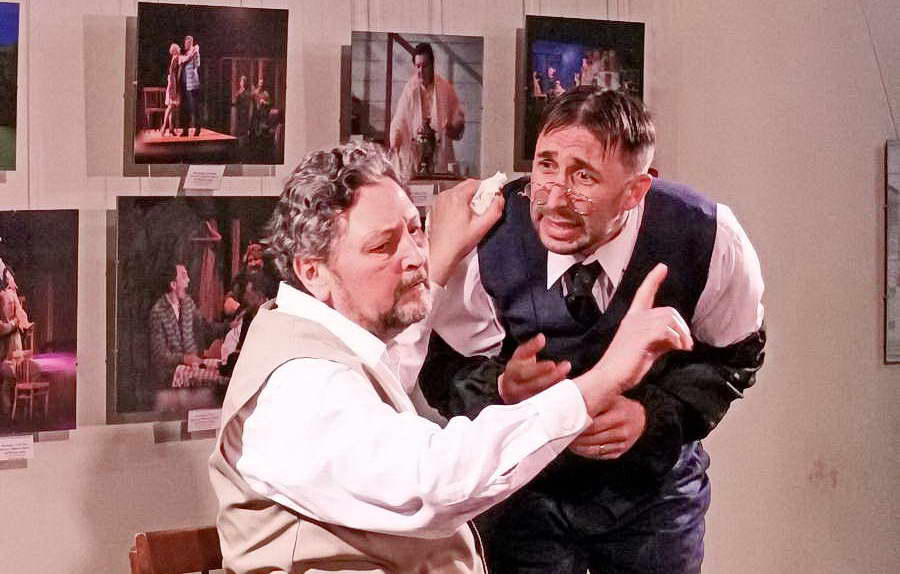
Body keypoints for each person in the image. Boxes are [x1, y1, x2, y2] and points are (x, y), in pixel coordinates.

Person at [208, 141, 694, 574]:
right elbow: (436, 480)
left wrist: (438, 258)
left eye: (413, 231)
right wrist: (603, 380)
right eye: (383, 246)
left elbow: (390, 371)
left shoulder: (324, 341)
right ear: (313, 272)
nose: (414, 256)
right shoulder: (300, 388)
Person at [420, 87, 766, 574]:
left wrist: (652, 416)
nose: (554, 199)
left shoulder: (707, 235)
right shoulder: (487, 235)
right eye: (546, 166)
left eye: (584, 176)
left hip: (653, 499)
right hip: (523, 492)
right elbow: (438, 365)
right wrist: (499, 389)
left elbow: (736, 358)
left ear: (635, 190)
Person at [389, 42, 465, 179]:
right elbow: (399, 121)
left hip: (440, 152)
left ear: (432, 65)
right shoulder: (410, 89)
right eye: (418, 66)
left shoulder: (445, 88)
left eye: (424, 66)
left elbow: (458, 120)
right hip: (417, 152)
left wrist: (453, 127)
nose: (420, 71)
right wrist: (395, 142)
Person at [148, 263, 203, 391]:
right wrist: (184, 359)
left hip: (193, 370)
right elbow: (160, 354)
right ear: (173, 285)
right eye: (184, 276)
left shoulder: (188, 303)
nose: (188, 280)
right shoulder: (158, 312)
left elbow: (204, 326)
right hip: (169, 378)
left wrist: (228, 326)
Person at [178, 35, 201, 137]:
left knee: (194, 107)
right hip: (183, 83)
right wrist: (192, 54)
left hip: (192, 84)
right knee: (185, 108)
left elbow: (197, 65)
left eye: (187, 43)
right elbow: (181, 61)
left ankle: (197, 128)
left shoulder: (196, 53)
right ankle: (185, 130)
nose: (185, 45)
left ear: (190, 43)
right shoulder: (185, 54)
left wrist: (195, 54)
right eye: (185, 43)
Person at [160, 43, 181, 137]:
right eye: (178, 49)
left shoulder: (174, 58)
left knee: (172, 107)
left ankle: (171, 128)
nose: (179, 49)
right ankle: (164, 126)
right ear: (175, 50)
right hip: (173, 84)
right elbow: (172, 73)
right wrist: (173, 87)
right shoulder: (175, 58)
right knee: (170, 106)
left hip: (172, 83)